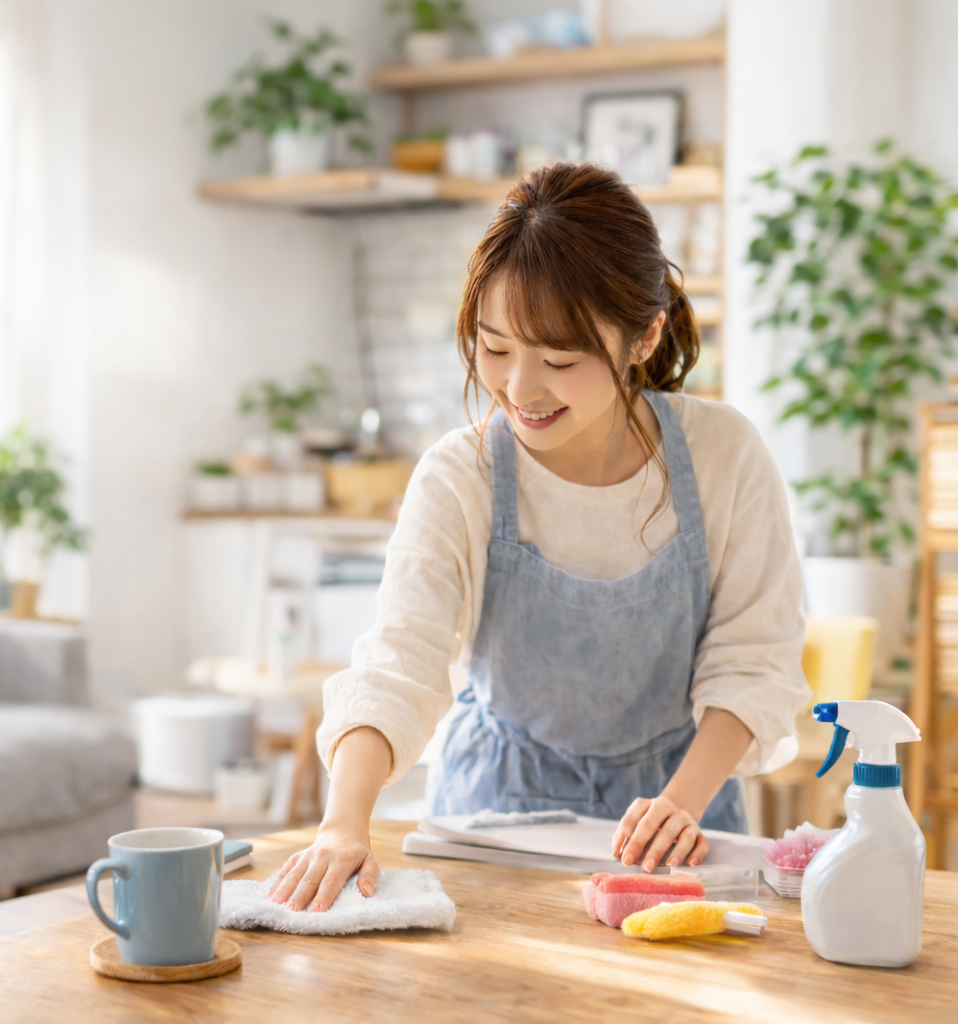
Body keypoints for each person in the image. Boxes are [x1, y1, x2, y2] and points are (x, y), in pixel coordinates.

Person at [271, 163, 811, 913]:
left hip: (679, 828)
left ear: (643, 336)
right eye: (495, 349)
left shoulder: (724, 454)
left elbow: (754, 659)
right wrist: (343, 821)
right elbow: (401, 658)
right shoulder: (460, 477)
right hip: (494, 824)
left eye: (559, 360)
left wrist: (678, 804)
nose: (521, 389)